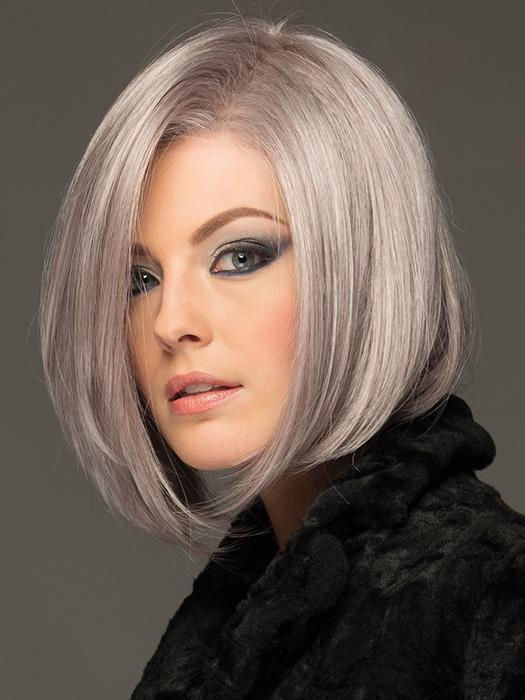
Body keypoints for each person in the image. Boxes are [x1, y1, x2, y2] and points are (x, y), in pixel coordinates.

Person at [38, 14, 525, 699]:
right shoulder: (240, 615)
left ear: (361, 272)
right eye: (139, 279)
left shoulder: (489, 603)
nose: (171, 323)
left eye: (239, 257)